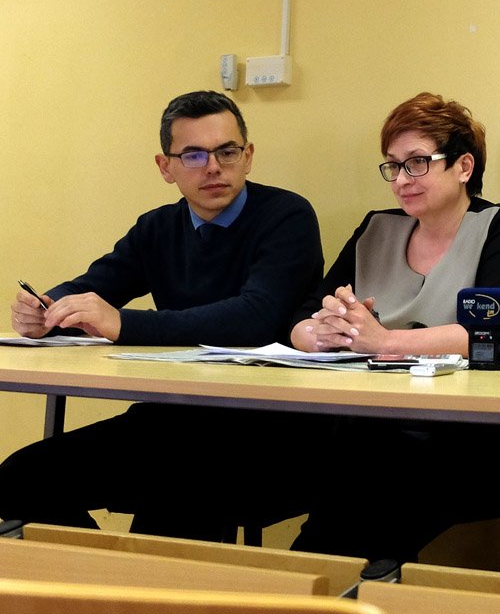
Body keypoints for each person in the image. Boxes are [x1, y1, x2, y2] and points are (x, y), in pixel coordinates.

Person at [1, 90, 324, 538]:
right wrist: (47, 309)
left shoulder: (287, 215)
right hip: (173, 417)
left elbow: (257, 317)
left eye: (227, 151)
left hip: (264, 428)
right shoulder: (157, 227)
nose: (213, 167)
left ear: (248, 156)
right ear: (165, 167)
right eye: (193, 155)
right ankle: (108, 579)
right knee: (20, 479)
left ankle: (142, 579)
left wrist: (123, 324)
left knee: (179, 498)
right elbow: (95, 285)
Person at [289, 92, 500, 562]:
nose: (401, 179)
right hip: (369, 426)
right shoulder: (377, 228)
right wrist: (320, 334)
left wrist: (386, 340)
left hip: (464, 435)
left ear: (464, 166)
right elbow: (303, 316)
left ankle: (325, 582)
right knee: (340, 467)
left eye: (417, 163)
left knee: (365, 488)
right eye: (393, 166)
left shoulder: (499, 226)